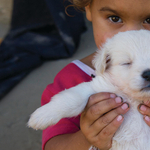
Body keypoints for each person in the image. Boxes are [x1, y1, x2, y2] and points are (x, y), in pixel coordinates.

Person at [41, 0, 150, 149]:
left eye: (149, 20)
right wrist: (88, 138)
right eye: (115, 18)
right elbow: (53, 146)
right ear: (88, 9)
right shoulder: (72, 80)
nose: (130, 33)